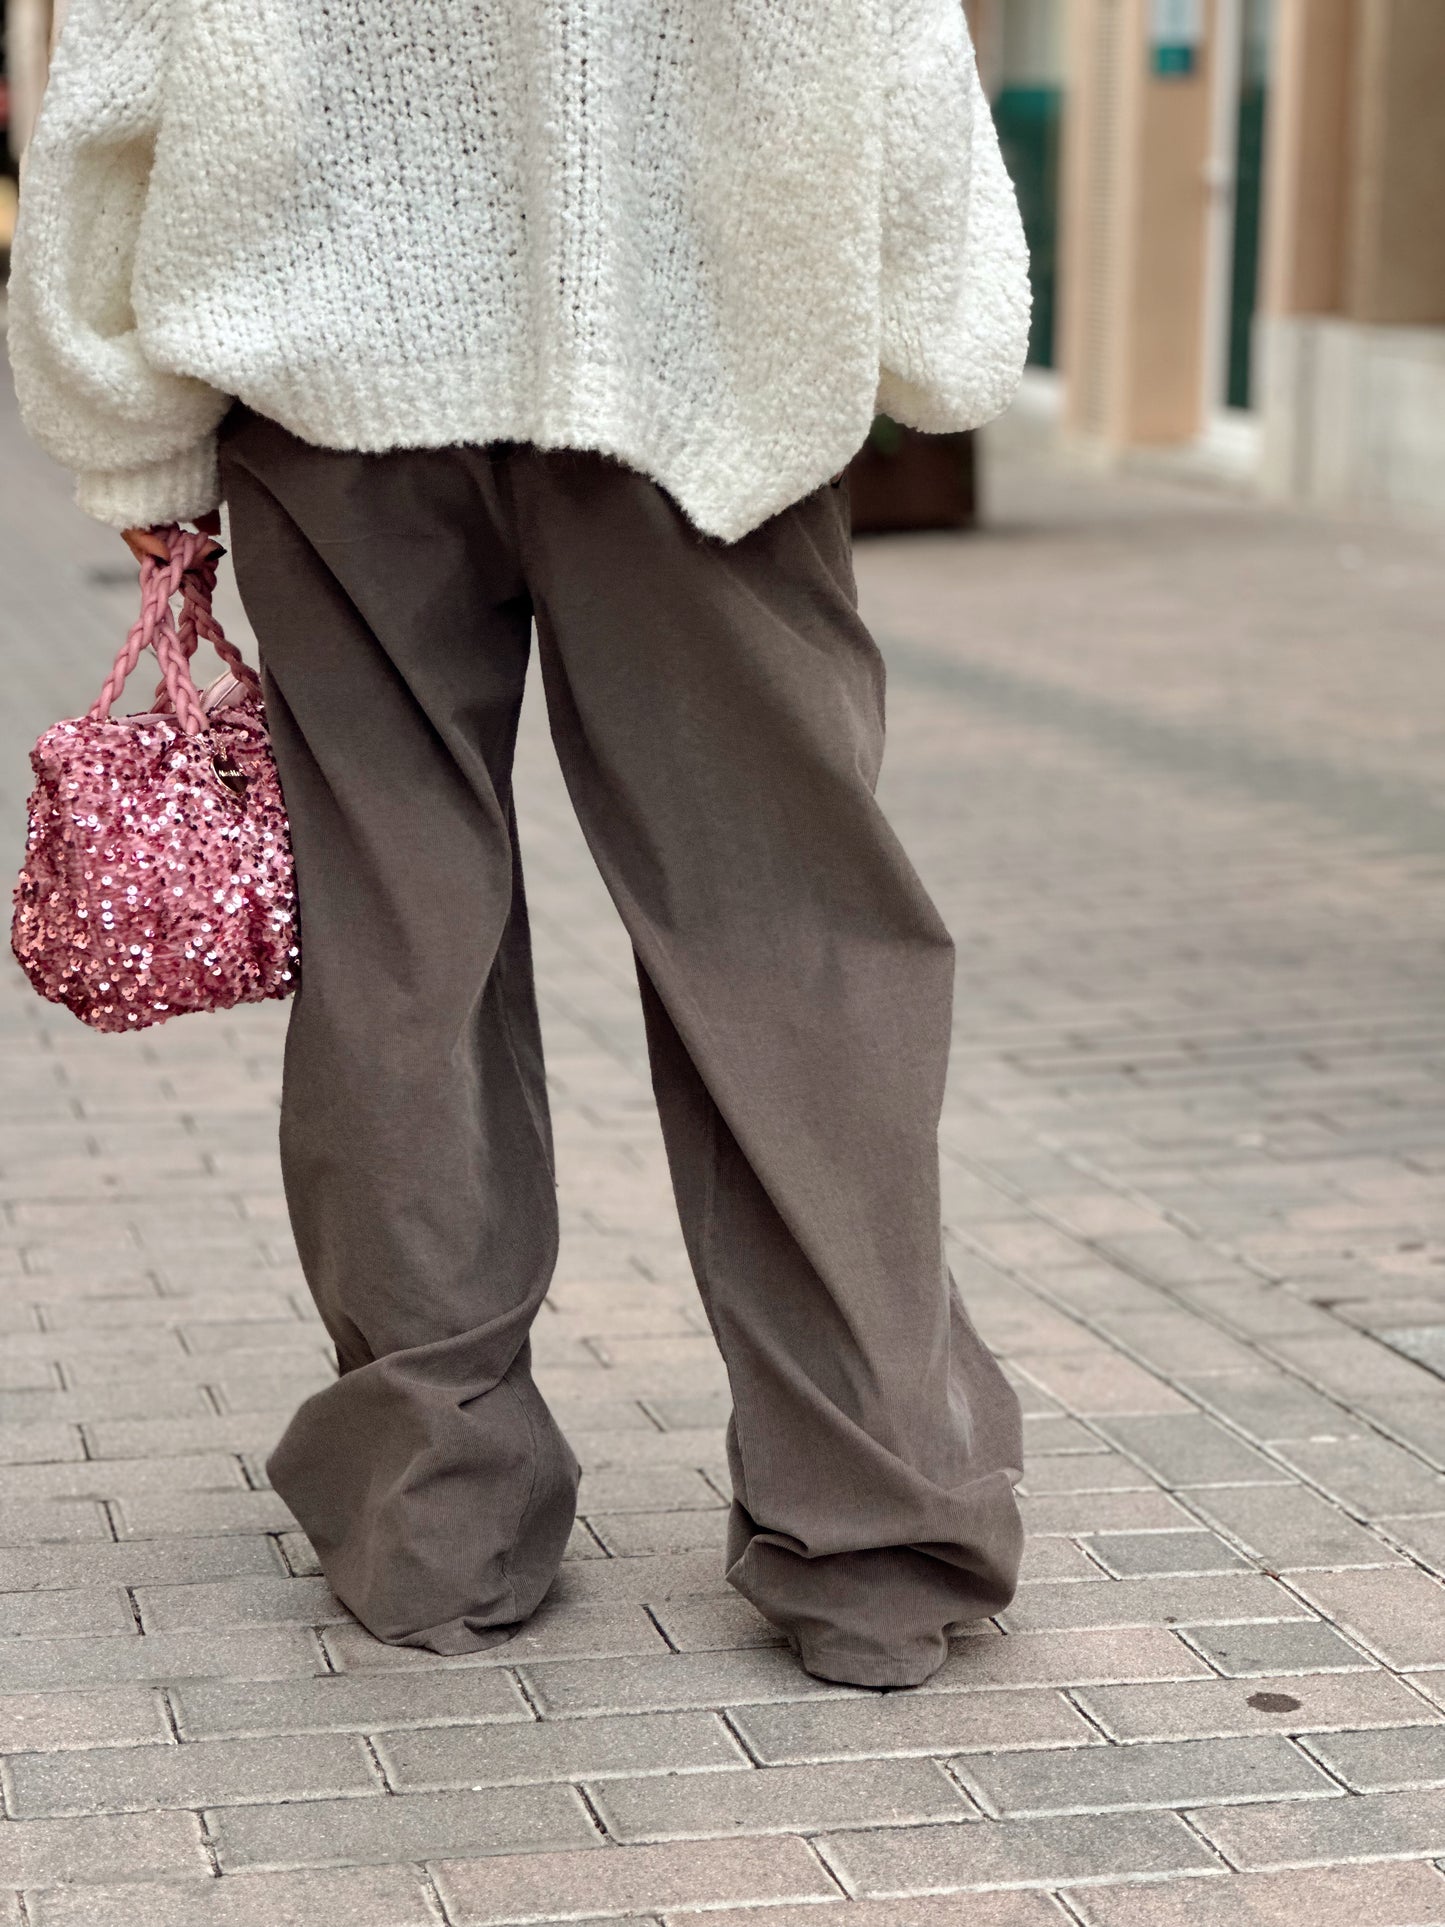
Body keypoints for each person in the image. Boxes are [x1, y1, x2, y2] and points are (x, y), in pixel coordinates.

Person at [8, 0, 1031, 1690]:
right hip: (711, 379)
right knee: (793, 939)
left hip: (331, 378)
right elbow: (889, 44)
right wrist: (925, 336)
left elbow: (122, 77)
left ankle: (435, 1515)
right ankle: (877, 1532)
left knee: (395, 940)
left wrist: (121, 415)